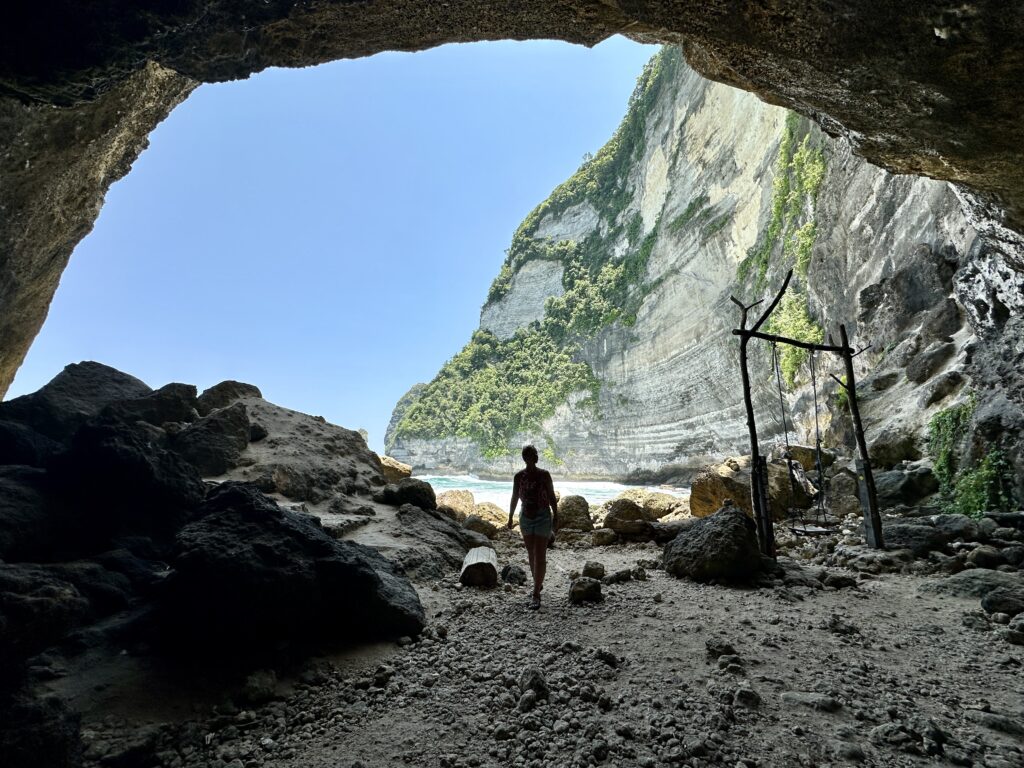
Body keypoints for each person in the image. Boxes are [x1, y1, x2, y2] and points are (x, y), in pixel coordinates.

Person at [508, 444, 558, 610]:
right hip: (526, 518)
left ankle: (536, 594)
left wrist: (556, 516)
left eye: (536, 453)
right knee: (531, 553)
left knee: (540, 553)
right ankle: (538, 581)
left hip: (543, 516)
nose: (536, 456)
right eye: (533, 454)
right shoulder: (518, 477)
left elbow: (551, 497)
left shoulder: (544, 475)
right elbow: (515, 497)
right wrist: (510, 517)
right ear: (526, 457)